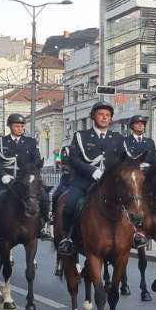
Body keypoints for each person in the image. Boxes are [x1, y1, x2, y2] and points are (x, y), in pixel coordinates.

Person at [53, 102, 124, 255]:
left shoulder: (118, 138)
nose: (104, 118)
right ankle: (67, 238)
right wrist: (92, 171)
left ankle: (135, 235)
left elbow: (122, 160)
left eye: (107, 115)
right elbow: (74, 159)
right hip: (84, 182)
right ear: (93, 116)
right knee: (70, 203)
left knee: (133, 203)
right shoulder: (81, 136)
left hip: (110, 184)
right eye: (101, 114)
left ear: (111, 119)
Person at [0, 114, 44, 236]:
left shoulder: (31, 142)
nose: (20, 129)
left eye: (21, 126)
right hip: (4, 178)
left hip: (24, 180)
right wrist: (3, 175)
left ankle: (43, 225)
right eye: (17, 126)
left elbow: (36, 160)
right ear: (10, 127)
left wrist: (30, 173)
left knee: (44, 196)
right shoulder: (0, 141)